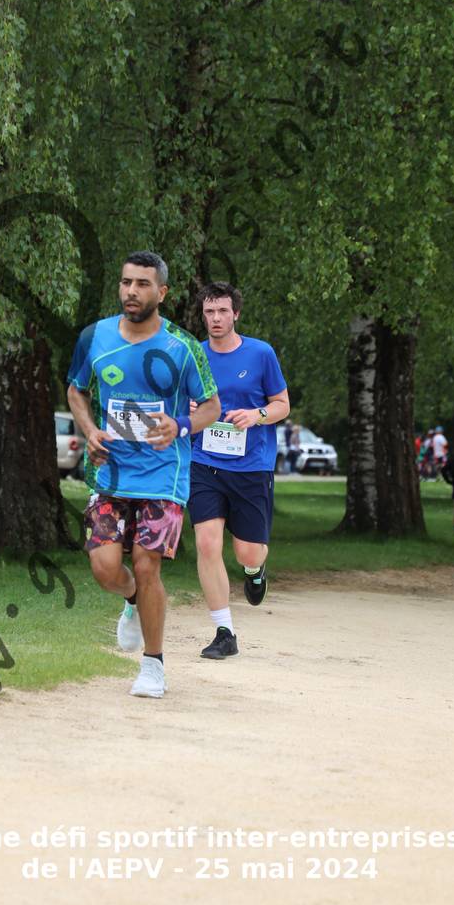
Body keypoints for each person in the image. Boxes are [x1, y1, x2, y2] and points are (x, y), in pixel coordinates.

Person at [66, 251, 220, 698]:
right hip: (110, 473)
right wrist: (90, 430)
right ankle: (131, 599)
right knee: (104, 568)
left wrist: (181, 425)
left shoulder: (183, 347)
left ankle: (153, 666)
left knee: (146, 564)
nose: (131, 291)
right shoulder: (94, 337)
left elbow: (212, 406)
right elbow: (76, 390)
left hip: (164, 474)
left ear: (162, 292)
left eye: (142, 284)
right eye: (126, 282)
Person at [187, 282, 290, 660]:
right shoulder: (193, 356)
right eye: (209, 312)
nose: (215, 318)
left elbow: (282, 404)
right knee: (207, 543)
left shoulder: (261, 354)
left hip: (251, 466)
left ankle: (254, 571)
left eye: (222, 311)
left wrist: (256, 414)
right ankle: (224, 631)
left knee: (248, 552)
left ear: (236, 314)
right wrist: (189, 407)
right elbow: (181, 404)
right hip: (204, 463)